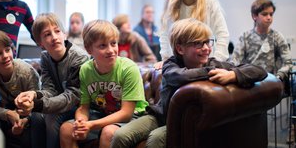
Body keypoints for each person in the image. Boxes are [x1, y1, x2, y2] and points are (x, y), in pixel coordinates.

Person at [110, 18, 267, 148]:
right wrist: (209, 71)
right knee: (120, 136)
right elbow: (180, 77)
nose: (206, 48)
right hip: (159, 116)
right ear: (180, 48)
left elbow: (260, 71)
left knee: (156, 139)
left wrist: (233, 74)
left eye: (208, 42)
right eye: (198, 43)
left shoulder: (214, 63)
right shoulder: (171, 65)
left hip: (182, 123)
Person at [59, 19, 148, 148]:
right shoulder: (85, 70)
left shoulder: (128, 68)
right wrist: (81, 123)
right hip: (103, 114)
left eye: (113, 43)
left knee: (108, 133)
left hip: (133, 117)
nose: (111, 50)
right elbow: (84, 107)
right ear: (89, 49)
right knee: (67, 129)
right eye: (102, 46)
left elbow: (126, 113)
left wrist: (92, 125)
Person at [14, 12, 89, 148]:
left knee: (51, 118)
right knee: (36, 115)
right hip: (61, 103)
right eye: (47, 34)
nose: (54, 37)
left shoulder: (79, 57)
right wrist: (34, 95)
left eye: (57, 31)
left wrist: (37, 104)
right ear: (40, 43)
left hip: (80, 106)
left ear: (64, 34)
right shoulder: (45, 57)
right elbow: (49, 89)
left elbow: (72, 96)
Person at [158, 0, 229, 68]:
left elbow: (223, 34)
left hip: (207, 62)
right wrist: (166, 60)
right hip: (180, 65)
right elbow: (164, 35)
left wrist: (216, 61)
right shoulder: (171, 5)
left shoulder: (210, 1)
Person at [0, 30, 41, 148]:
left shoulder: (26, 71)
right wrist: (7, 114)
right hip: (7, 112)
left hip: (29, 114)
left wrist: (25, 121)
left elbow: (39, 105)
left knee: (29, 135)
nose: (6, 56)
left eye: (7, 50)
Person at [231, 0, 292, 85]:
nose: (269, 18)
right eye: (265, 14)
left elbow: (288, 62)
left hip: (272, 82)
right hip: (250, 83)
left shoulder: (277, 37)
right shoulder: (244, 37)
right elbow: (235, 60)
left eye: (271, 14)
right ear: (254, 16)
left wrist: (278, 77)